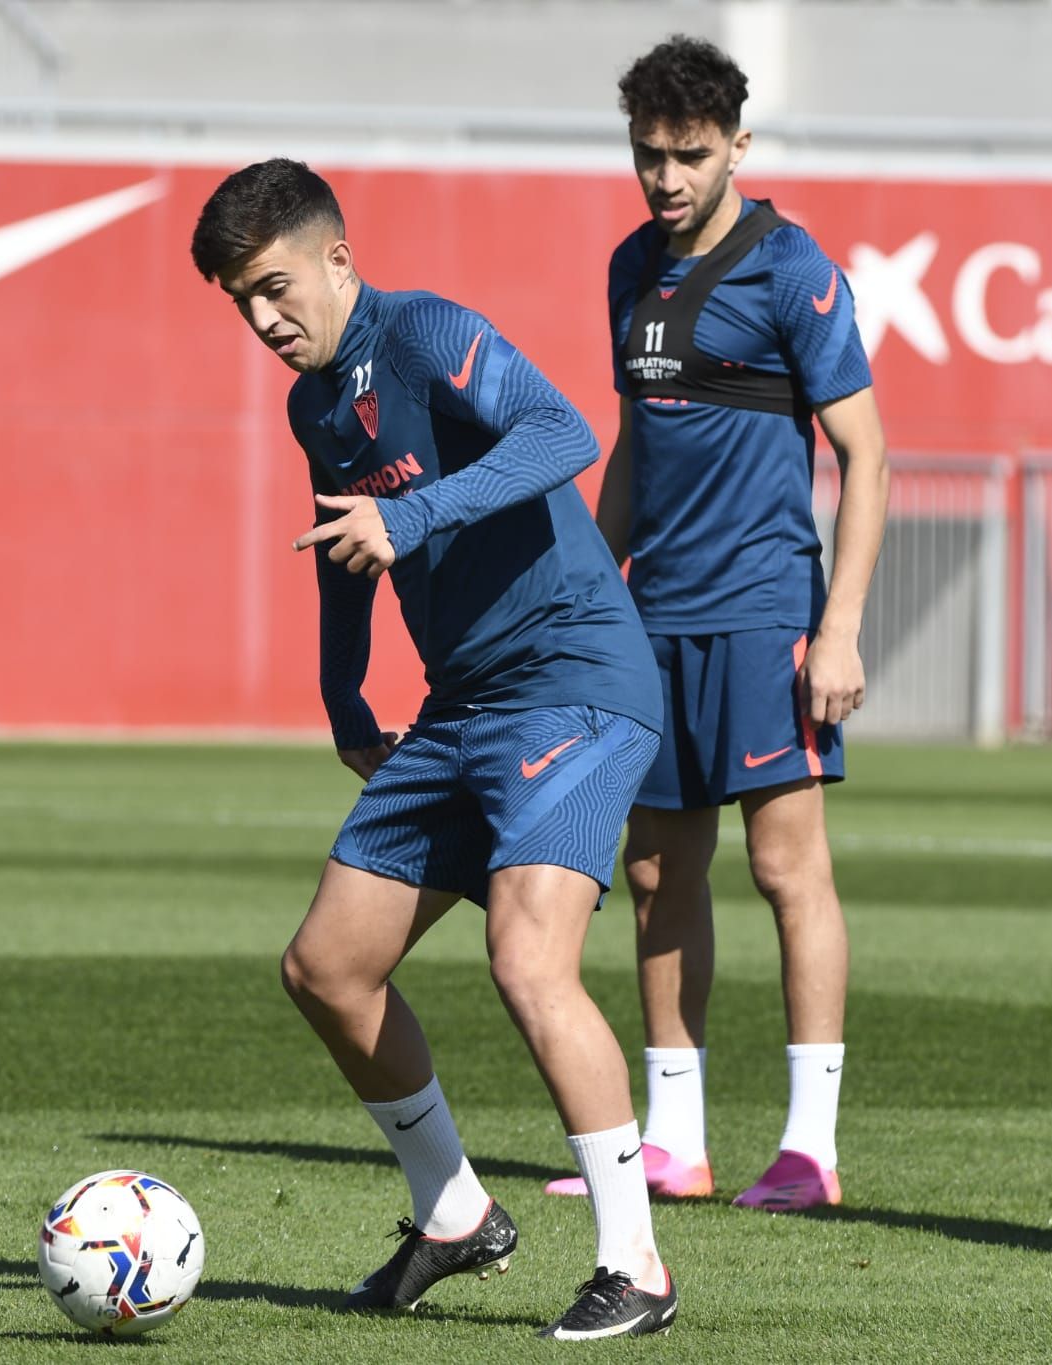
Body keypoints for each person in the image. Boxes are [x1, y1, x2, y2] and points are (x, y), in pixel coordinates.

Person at [191, 158, 678, 1340]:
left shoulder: (428, 335)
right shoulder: (312, 406)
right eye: (238, 301)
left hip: (573, 685)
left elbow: (559, 431)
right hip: (459, 704)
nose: (262, 320)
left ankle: (637, 1266)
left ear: (337, 260)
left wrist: (408, 515)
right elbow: (342, 547)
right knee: (326, 969)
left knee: (526, 962)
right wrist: (342, 696)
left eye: (272, 287)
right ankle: (453, 1210)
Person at [542, 36, 888, 1212]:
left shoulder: (792, 271)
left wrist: (837, 629)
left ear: (736, 146)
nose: (667, 178)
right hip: (651, 622)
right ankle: (672, 1144)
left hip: (764, 620)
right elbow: (635, 446)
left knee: (787, 871)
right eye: (649, 156)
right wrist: (588, 592)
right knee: (653, 872)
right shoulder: (626, 270)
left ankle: (807, 1150)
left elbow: (867, 457)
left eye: (689, 156)